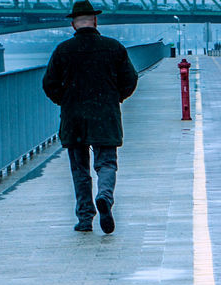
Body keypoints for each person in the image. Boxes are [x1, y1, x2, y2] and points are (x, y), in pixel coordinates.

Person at [42, 0, 138, 234]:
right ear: (95, 21)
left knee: (80, 169)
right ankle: (104, 196)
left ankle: (85, 218)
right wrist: (116, 98)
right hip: (105, 114)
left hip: (74, 118)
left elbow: (49, 84)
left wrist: (64, 101)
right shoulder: (113, 47)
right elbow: (131, 79)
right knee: (106, 163)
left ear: (74, 25)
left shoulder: (63, 50)